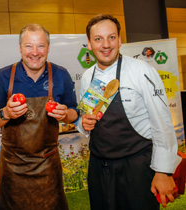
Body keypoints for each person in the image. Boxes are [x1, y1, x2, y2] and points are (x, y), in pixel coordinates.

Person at [77, 14, 182, 210]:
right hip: (99, 167)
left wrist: (163, 171)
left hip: (136, 168)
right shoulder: (86, 77)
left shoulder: (142, 71)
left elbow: (162, 123)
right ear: (89, 44)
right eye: (98, 39)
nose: (106, 44)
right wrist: (84, 122)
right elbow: (86, 117)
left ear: (120, 40)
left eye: (111, 37)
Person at [0, 23, 78, 210]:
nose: (35, 52)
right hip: (12, 168)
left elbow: (74, 113)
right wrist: (7, 113)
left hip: (48, 167)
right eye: (29, 46)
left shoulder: (61, 75)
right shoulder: (4, 76)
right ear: (20, 48)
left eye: (41, 46)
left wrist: (65, 114)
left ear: (48, 47)